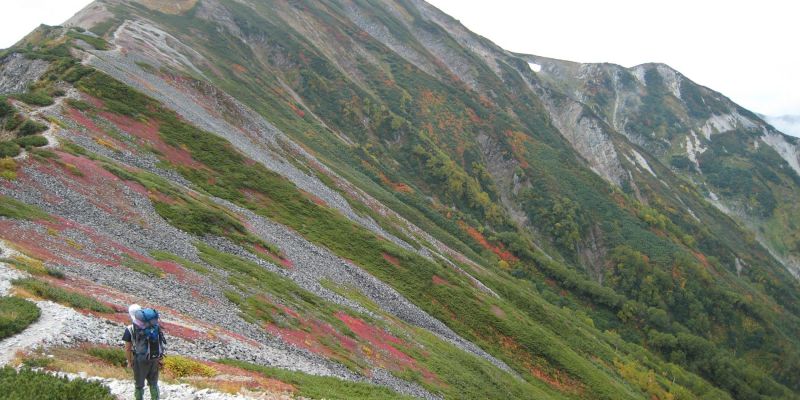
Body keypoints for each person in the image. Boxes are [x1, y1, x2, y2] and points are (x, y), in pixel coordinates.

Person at [123, 304, 165, 400]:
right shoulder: (154, 326)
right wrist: (159, 358)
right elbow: (159, 341)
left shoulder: (130, 329)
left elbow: (127, 349)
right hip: (154, 357)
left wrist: (129, 362)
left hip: (140, 359)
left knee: (139, 385)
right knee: (153, 383)